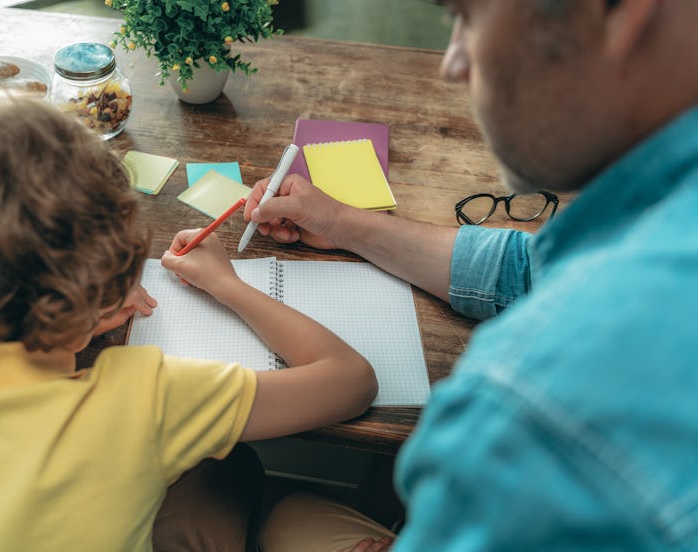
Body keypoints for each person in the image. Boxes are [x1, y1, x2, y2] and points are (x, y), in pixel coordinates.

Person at [252, 0, 698, 550]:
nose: (453, 62)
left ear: (621, 12)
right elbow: (526, 271)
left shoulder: (526, 411)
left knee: (281, 516)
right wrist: (345, 224)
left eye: (465, 15)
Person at [0, 89, 378, 551]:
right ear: (89, 289)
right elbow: (351, 380)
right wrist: (228, 285)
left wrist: (81, 305)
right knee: (231, 467)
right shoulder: (143, 400)